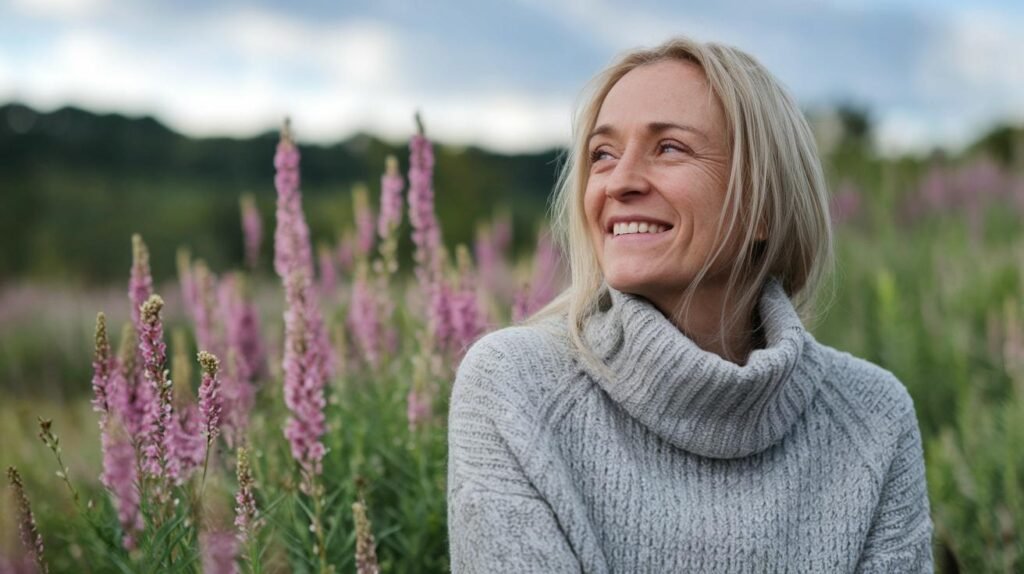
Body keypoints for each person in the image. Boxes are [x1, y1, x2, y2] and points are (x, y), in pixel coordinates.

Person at [446, 36, 934, 573]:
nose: (619, 182)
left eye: (669, 147)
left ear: (761, 205)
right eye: (602, 154)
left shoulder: (873, 419)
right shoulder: (515, 386)